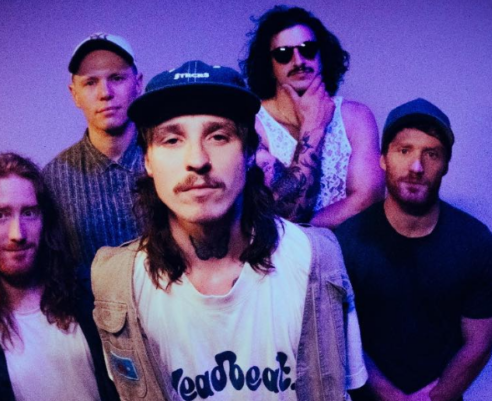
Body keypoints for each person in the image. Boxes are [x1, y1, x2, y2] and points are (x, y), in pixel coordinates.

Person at [90, 60, 367, 400]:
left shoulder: (315, 260)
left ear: (249, 152)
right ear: (147, 160)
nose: (197, 160)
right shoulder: (118, 283)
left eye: (219, 136)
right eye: (172, 140)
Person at [335, 99, 492, 401]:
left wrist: (433, 397)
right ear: (383, 159)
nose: (416, 167)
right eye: (404, 151)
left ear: (446, 165)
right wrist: (392, 397)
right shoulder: (346, 242)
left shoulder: (476, 243)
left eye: (431, 154)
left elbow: (478, 344)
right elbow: (339, 336)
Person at [0, 152, 118, 400]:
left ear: (45, 221)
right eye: (0, 215)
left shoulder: (90, 294)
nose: (17, 234)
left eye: (29, 213)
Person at [241, 5, 384, 228]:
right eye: (283, 54)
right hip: (279, 252)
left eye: (308, 49)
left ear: (322, 55)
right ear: (269, 66)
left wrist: (305, 234)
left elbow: (368, 200)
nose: (298, 61)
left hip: (349, 248)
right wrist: (313, 128)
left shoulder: (357, 117)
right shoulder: (252, 124)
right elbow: (285, 210)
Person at [43, 32, 144, 287]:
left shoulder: (168, 158)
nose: (105, 93)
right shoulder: (54, 178)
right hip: (91, 312)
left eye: (117, 78)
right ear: (74, 94)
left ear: (138, 83)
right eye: (90, 83)